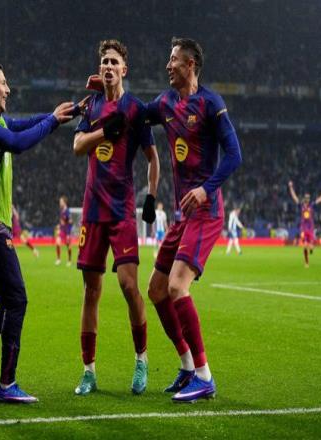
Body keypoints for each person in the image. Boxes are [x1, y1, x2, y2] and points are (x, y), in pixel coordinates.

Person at [0, 60, 75, 403]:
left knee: (9, 304)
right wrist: (52, 121)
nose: (8, 89)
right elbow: (19, 142)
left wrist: (55, 116)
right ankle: (6, 384)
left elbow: (23, 125)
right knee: (17, 301)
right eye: (4, 83)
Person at [144, 38, 241, 402]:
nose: (167, 65)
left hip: (206, 211)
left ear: (190, 64)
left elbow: (234, 155)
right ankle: (187, 366)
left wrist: (205, 188)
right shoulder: (165, 102)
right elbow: (136, 113)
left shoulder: (211, 103)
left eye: (173, 59)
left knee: (176, 287)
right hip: (182, 215)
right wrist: (108, 93)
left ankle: (205, 376)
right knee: (156, 290)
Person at [73, 39, 159, 396]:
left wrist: (151, 196)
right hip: (93, 211)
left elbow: (153, 157)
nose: (108, 66)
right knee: (91, 291)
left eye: (114, 62)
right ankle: (88, 371)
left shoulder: (135, 109)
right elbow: (78, 147)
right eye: (104, 61)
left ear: (124, 69)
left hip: (122, 211)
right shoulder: (91, 105)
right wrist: (103, 131)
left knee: (128, 286)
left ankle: (141, 360)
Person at [288, 181, 321, 267]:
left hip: (310, 228)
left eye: (308, 198)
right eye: (306, 198)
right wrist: (291, 187)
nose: (307, 199)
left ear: (309, 199)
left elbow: (320, 200)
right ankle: (306, 262)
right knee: (304, 246)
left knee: (311, 247)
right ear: (304, 198)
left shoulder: (312, 205)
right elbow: (294, 197)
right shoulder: (301, 205)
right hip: (303, 228)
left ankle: (311, 248)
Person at [55, 195, 73, 266]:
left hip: (67, 231)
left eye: (61, 202)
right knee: (57, 243)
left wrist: (68, 233)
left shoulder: (67, 211)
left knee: (68, 245)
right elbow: (62, 222)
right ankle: (58, 259)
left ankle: (69, 260)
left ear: (64, 202)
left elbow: (70, 222)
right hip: (62, 230)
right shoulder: (62, 211)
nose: (60, 203)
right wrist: (59, 226)